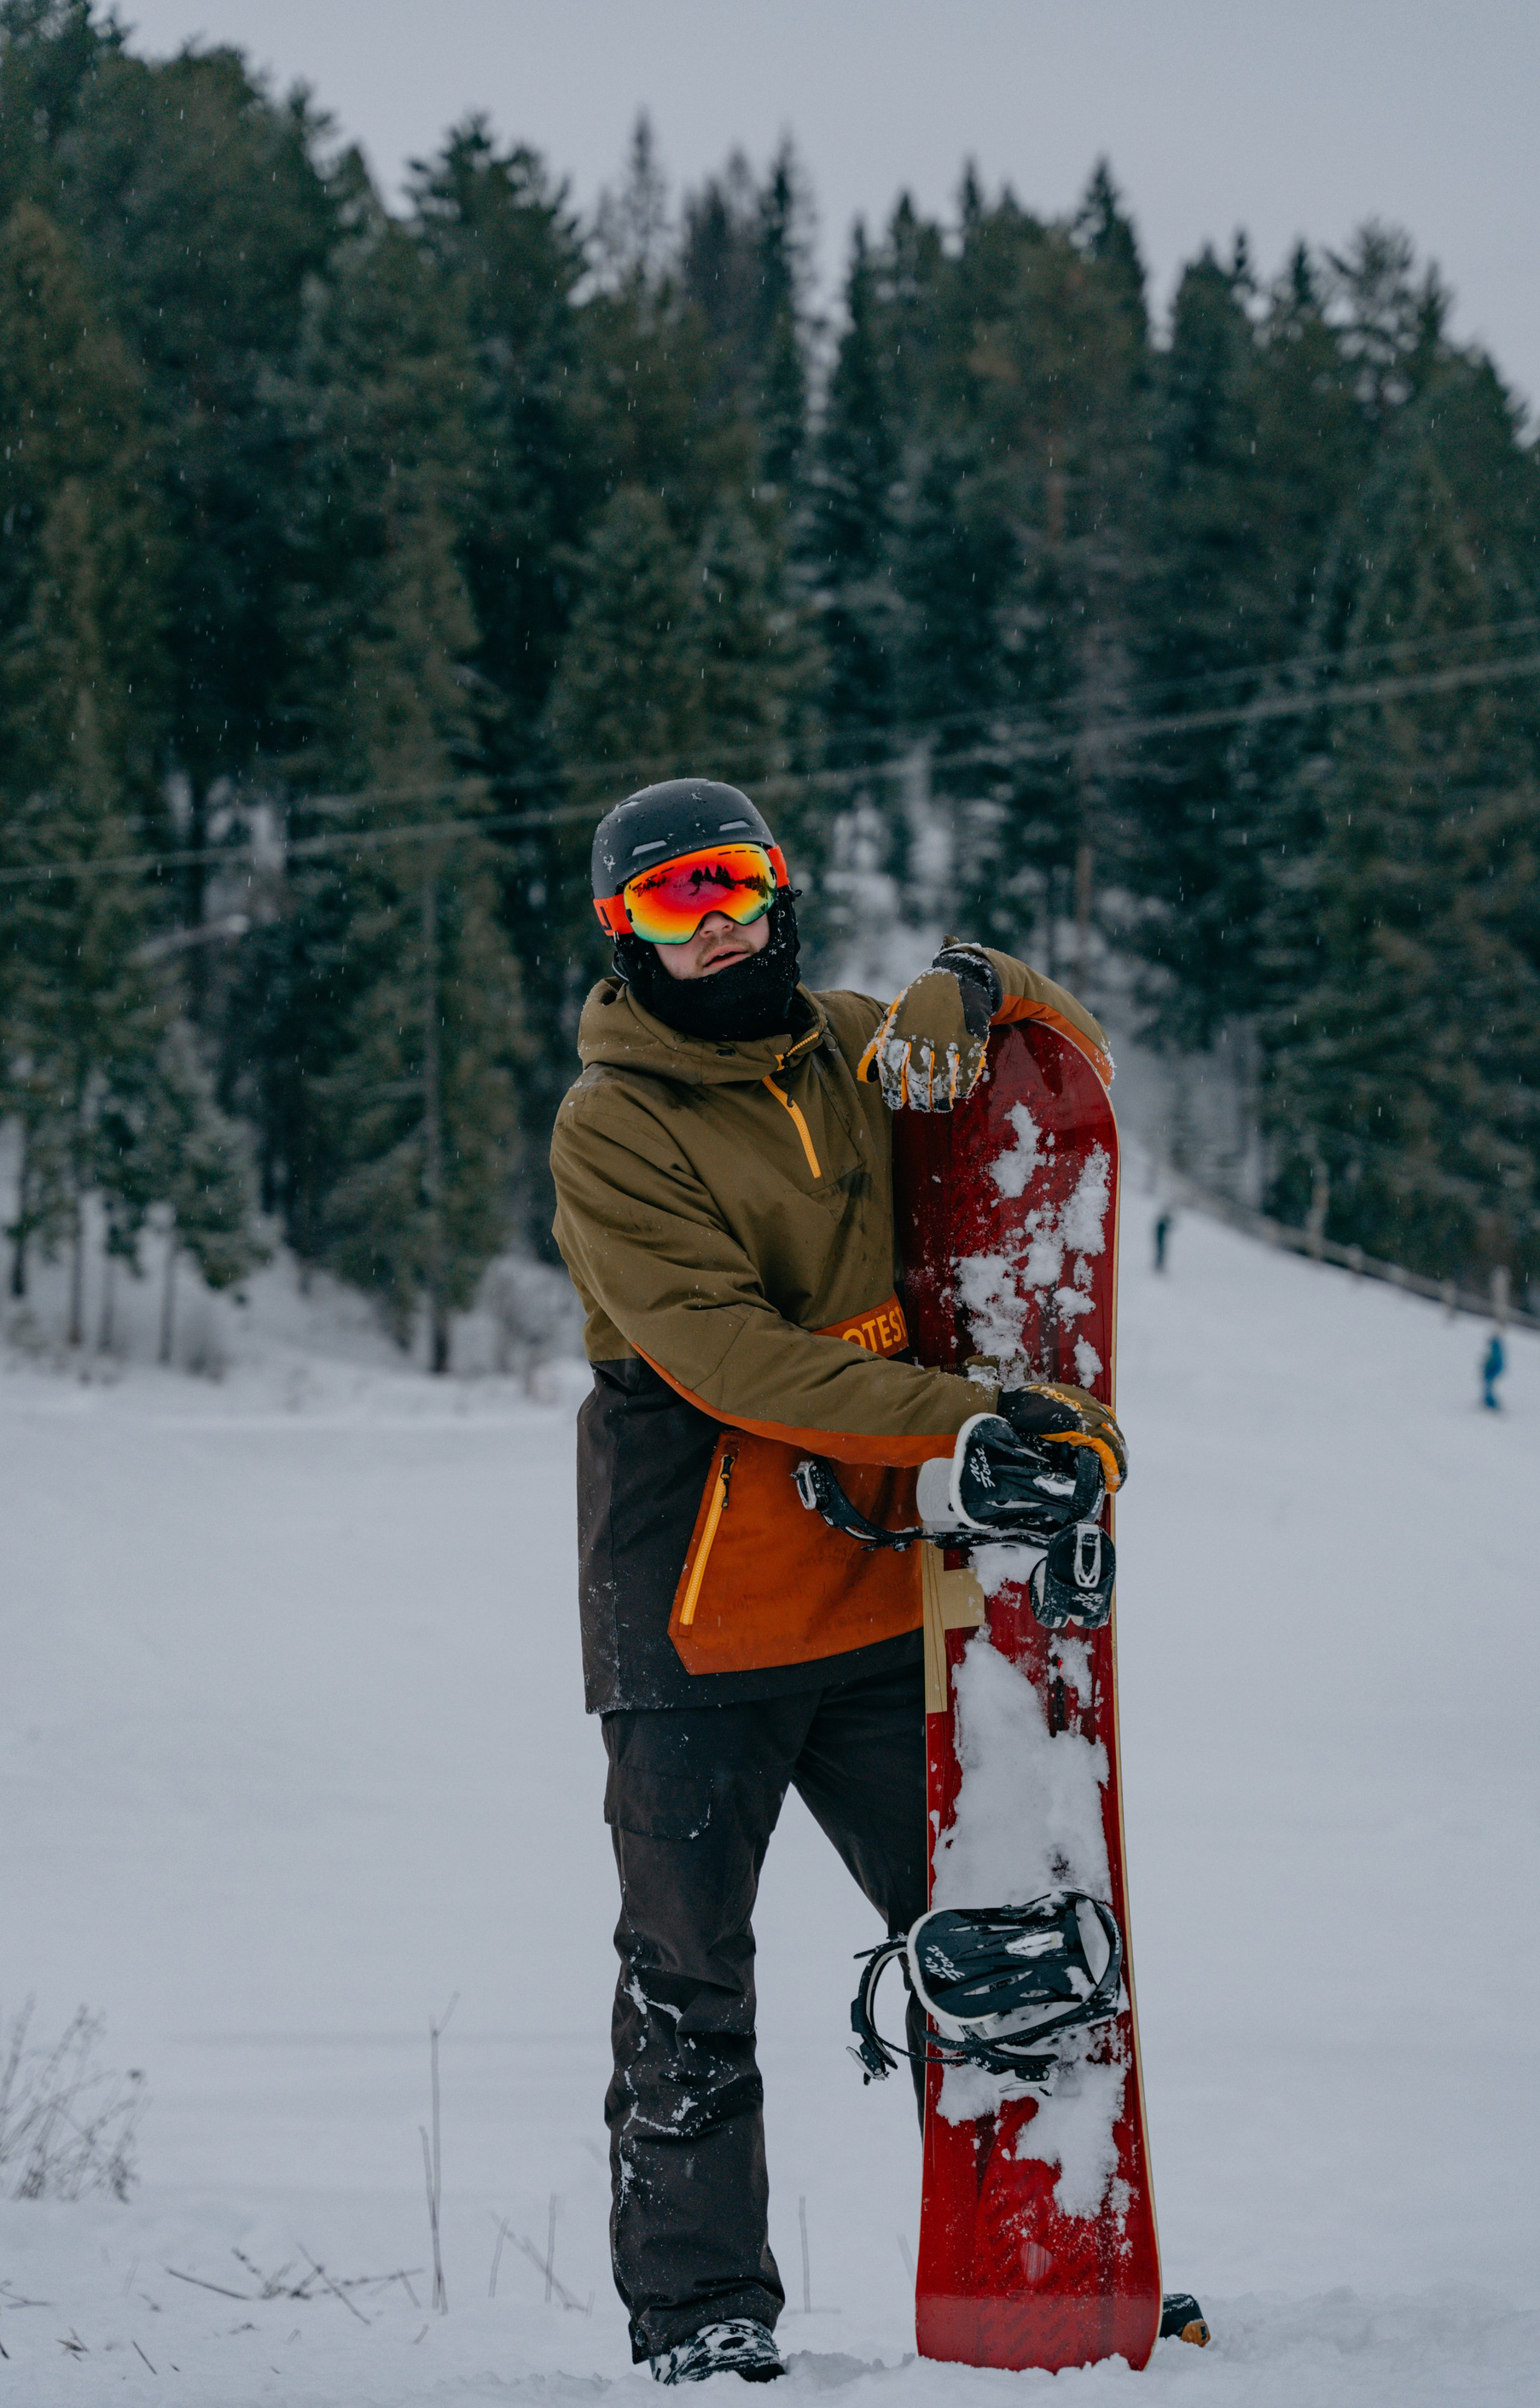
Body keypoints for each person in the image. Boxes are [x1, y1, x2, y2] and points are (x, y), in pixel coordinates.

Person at [550, 778, 1126, 2386]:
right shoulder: (613, 1123)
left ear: (782, 888)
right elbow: (731, 1358)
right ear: (621, 934)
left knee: (996, 1935)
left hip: (877, 1594)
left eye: (733, 882)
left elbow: (1071, 1072)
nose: (716, 924)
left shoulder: (860, 1046)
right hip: (693, 1611)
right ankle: (702, 2316)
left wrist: (984, 981)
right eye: (671, 902)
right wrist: (971, 1419)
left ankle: (1043, 2261)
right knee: (688, 1982)